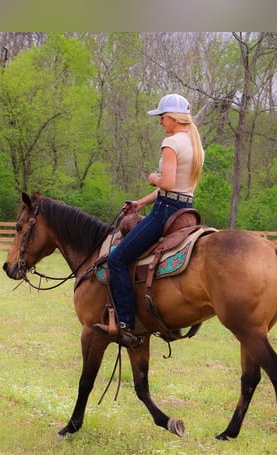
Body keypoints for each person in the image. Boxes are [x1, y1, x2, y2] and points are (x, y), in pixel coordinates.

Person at [96, 93, 204, 348]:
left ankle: (125, 323)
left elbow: (166, 184)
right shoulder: (195, 144)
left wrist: (153, 177)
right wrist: (141, 203)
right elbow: (177, 188)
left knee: (117, 259)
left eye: (162, 117)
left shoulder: (171, 143)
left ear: (173, 118)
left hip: (164, 212)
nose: (160, 123)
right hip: (184, 209)